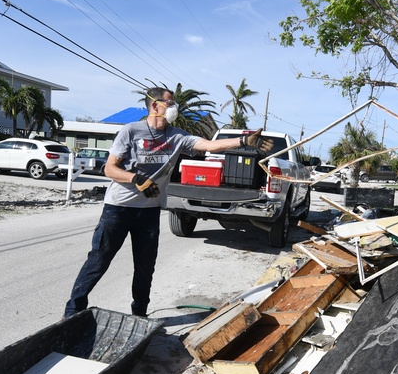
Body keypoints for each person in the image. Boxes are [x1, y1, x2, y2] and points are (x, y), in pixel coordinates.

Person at [63, 87, 273, 319]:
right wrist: (136, 179)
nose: (174, 108)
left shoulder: (177, 136)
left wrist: (244, 140)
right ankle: (72, 312)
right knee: (99, 260)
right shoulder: (131, 131)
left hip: (149, 213)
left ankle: (139, 316)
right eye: (170, 103)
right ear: (154, 105)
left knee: (145, 268)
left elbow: (209, 145)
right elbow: (110, 168)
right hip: (118, 209)